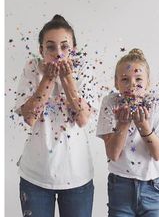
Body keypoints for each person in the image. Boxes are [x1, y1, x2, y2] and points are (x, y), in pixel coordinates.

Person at [14, 14, 98, 217]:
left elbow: (83, 118)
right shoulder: (32, 68)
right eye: (50, 47)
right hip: (36, 176)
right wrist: (48, 78)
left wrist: (67, 78)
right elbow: (29, 118)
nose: (58, 53)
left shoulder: (83, 69)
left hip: (77, 175)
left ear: (73, 49)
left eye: (64, 47)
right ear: (41, 50)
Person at [96, 48, 159, 217]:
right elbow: (113, 154)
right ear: (116, 83)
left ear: (148, 83)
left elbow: (158, 154)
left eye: (138, 79)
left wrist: (143, 125)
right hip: (120, 185)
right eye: (125, 79)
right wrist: (122, 124)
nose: (132, 86)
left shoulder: (157, 103)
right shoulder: (111, 102)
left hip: (152, 187)